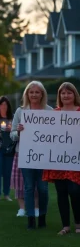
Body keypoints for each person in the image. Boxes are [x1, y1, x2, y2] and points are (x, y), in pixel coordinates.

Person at [11, 81, 52, 229]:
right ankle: (30, 219)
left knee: (43, 188)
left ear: (42, 94)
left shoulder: (49, 111)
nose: (34, 95)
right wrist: (19, 132)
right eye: (31, 92)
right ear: (27, 94)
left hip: (43, 156)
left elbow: (55, 134)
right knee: (28, 187)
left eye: (37, 92)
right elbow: (12, 135)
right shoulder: (20, 111)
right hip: (25, 154)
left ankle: (42, 217)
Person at [43, 82, 80, 235]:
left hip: (75, 160)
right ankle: (65, 226)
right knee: (61, 192)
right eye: (63, 93)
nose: (66, 96)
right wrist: (25, 129)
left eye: (69, 93)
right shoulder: (55, 114)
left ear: (74, 95)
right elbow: (43, 133)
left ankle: (78, 223)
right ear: (59, 96)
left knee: (75, 191)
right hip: (58, 160)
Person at [0, 96, 14, 202]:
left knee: (7, 172)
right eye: (1, 104)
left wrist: (12, 129)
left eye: (5, 104)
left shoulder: (12, 118)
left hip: (9, 148)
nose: (3, 106)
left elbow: (17, 132)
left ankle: (6, 194)